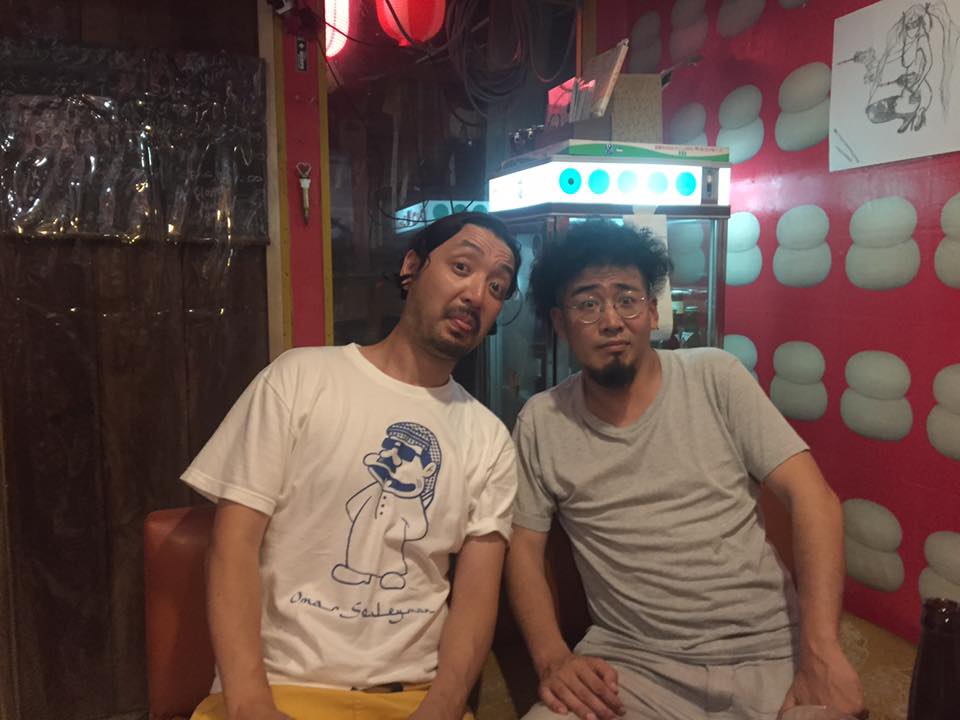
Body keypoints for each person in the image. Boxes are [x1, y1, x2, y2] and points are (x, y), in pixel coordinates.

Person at [505, 220, 865, 720]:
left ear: (653, 312)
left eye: (627, 299)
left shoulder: (715, 376)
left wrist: (821, 650)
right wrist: (552, 658)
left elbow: (813, 498)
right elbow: (523, 547)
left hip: (769, 652)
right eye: (587, 304)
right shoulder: (542, 420)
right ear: (560, 323)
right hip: (630, 666)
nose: (611, 320)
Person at [182, 212, 521, 720]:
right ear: (412, 267)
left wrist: (443, 707)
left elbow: (476, 596)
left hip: (410, 697)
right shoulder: (299, 379)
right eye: (461, 267)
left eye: (497, 287)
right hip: (279, 688)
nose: (476, 294)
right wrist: (251, 703)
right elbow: (233, 545)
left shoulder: (489, 439)